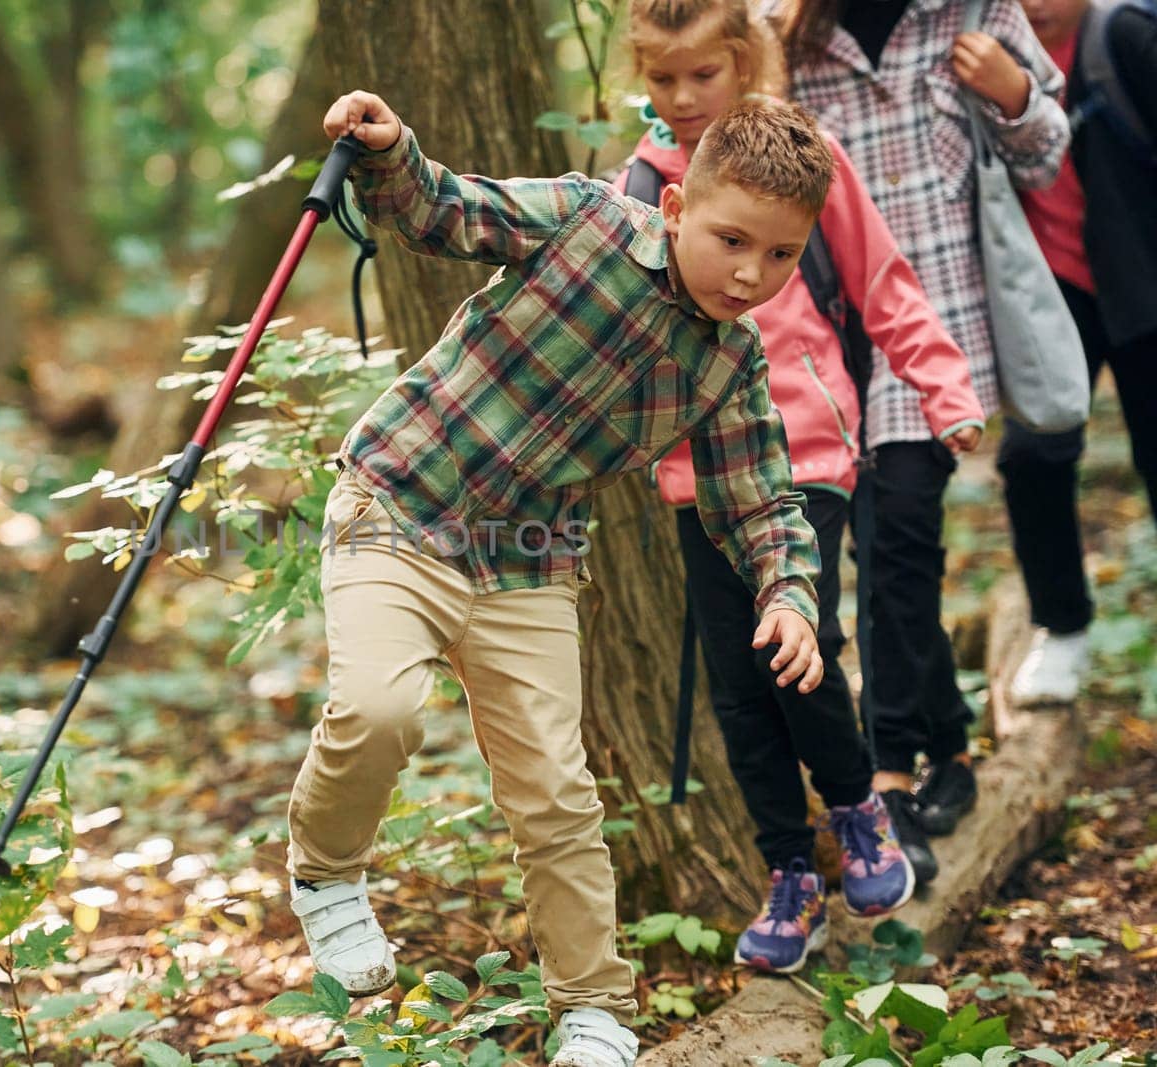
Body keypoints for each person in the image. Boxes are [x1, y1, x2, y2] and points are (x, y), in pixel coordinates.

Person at [289, 89, 835, 1067]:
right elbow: (443, 208)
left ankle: (590, 1005)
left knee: (556, 788)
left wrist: (788, 593)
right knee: (380, 704)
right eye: (731, 239)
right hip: (399, 502)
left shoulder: (726, 366)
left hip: (528, 561)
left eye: (782, 254)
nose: (751, 273)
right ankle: (326, 874)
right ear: (674, 209)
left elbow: (759, 502)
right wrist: (388, 150)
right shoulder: (583, 219)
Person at [616, 0, 987, 970]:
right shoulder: (642, 184)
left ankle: (857, 804)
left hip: (805, 447)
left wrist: (943, 386)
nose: (685, 98)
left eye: (704, 74)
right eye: (664, 80)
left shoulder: (802, 157)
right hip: (693, 471)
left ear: (744, 62)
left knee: (804, 641)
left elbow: (882, 281)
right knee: (738, 688)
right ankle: (789, 869)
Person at [771, 0, 1070, 846]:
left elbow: (1048, 157)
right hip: (816, 342)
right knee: (872, 546)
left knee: (899, 529)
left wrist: (1012, 94)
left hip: (934, 330)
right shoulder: (781, 32)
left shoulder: (975, 14)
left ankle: (890, 768)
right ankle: (948, 735)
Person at [1000, 0, 1157, 705]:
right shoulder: (984, 53)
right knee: (1033, 453)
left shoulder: (1120, 36)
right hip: (1054, 284)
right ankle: (1061, 628)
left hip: (1146, 281)